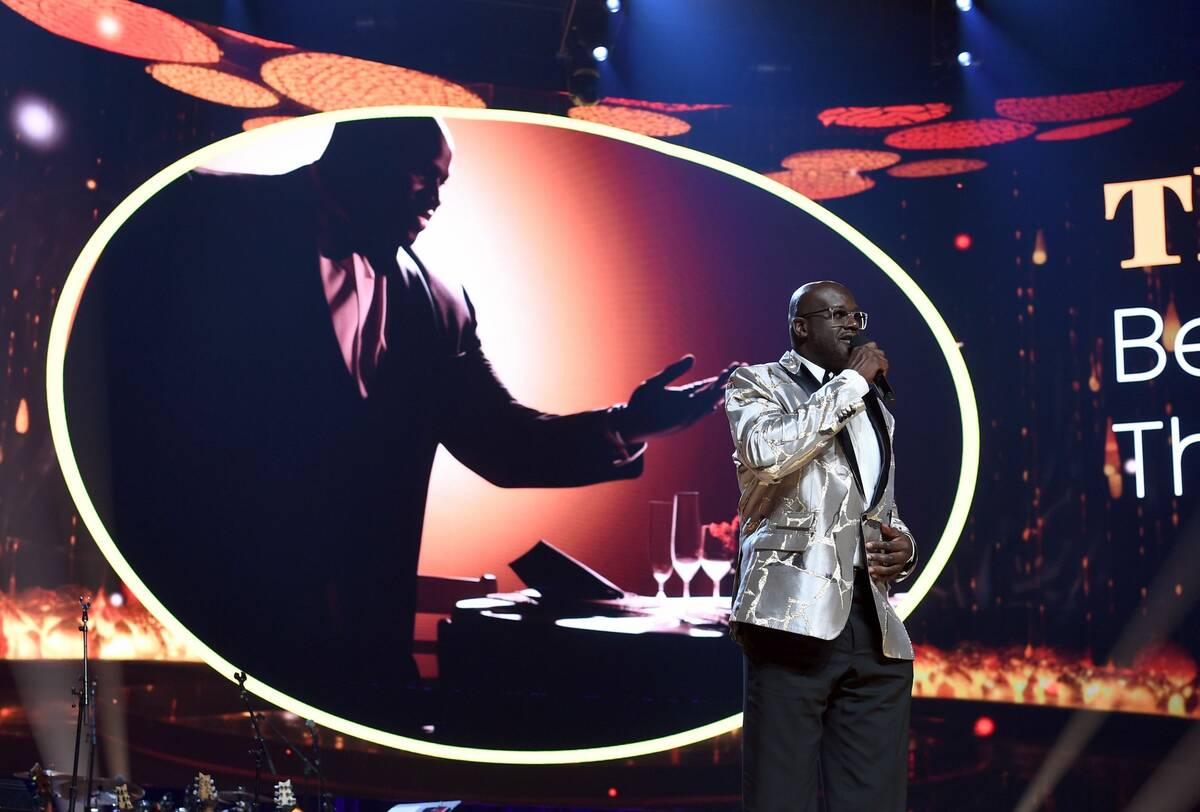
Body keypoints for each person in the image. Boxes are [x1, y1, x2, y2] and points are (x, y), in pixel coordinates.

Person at [78, 117, 735, 724]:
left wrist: (630, 423)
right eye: (423, 173)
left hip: (365, 669)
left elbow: (503, 442)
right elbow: (115, 398)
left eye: (444, 181)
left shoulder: (441, 303)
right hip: (195, 651)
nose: (436, 198)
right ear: (358, 149)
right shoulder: (199, 212)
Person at [724, 281, 918, 811]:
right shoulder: (756, 382)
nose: (852, 324)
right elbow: (768, 455)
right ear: (800, 326)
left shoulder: (873, 406)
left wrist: (903, 545)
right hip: (791, 616)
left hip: (872, 622)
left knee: (873, 800)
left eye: (856, 315)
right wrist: (851, 383)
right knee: (781, 796)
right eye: (837, 314)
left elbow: (875, 504)